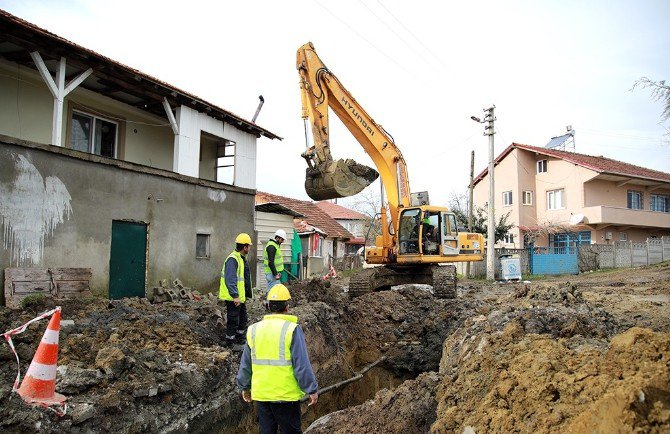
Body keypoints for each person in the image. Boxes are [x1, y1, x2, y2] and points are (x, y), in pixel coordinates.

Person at [236, 284, 319, 434]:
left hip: (262, 395)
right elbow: (301, 365)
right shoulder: (292, 329)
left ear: (267, 306)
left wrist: (244, 386)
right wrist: (311, 389)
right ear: (287, 306)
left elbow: (246, 364)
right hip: (285, 397)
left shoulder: (254, 330)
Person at [219, 232, 253, 347]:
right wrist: (235, 296)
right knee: (233, 319)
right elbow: (230, 279)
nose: (249, 248)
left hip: (239, 297)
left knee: (243, 319)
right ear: (245, 247)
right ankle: (230, 342)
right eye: (249, 246)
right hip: (233, 297)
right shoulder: (233, 259)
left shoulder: (241, 258)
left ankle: (240, 339)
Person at [264, 229, 287, 293]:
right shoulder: (272, 246)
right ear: (278, 238)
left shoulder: (275, 245)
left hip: (273, 273)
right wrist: (275, 274)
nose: (282, 241)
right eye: (282, 239)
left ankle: (270, 302)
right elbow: (270, 262)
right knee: (272, 292)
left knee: (275, 291)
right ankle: (269, 302)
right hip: (272, 274)